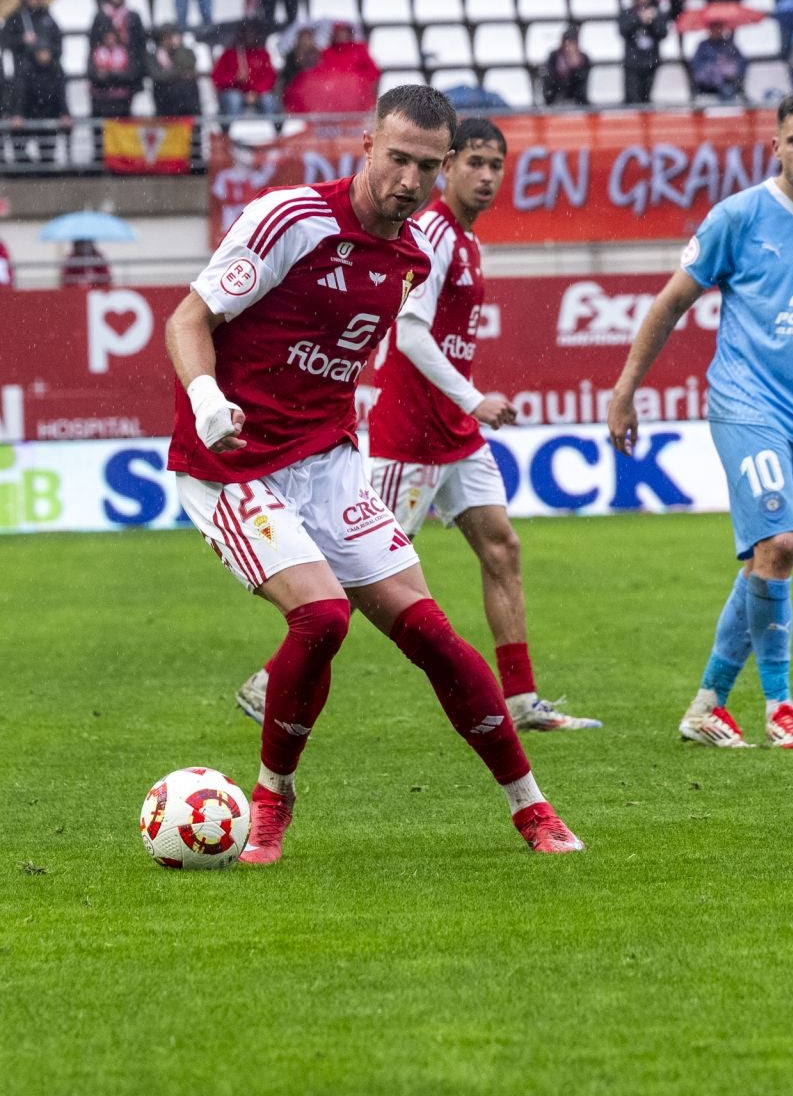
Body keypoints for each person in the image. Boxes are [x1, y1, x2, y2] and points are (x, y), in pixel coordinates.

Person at [163, 86, 582, 866]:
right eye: (397, 158)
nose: (409, 180)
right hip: (229, 464)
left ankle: (533, 810)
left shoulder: (413, 254)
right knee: (322, 619)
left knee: (431, 633)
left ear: (445, 166)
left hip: (325, 462)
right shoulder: (292, 220)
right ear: (366, 146)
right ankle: (271, 802)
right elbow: (188, 319)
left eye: (428, 166)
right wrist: (207, 395)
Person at [242, 119, 601, 734]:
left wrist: (464, 408)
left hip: (454, 435)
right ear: (449, 165)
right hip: (412, 432)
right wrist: (473, 398)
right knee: (364, 577)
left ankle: (520, 698)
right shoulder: (429, 233)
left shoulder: (466, 240)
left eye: (496, 165)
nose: (486, 176)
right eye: (474, 163)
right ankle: (269, 681)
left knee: (501, 546)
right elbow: (409, 333)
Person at [606, 90, 793, 751]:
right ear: (774, 146)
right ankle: (780, 707)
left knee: (771, 559)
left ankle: (708, 704)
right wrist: (626, 389)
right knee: (779, 544)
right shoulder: (737, 217)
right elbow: (668, 304)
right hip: (744, 402)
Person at [8, 45, 72, 164]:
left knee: (47, 154)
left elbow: (61, 95)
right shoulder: (26, 69)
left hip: (48, 113)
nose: (44, 56)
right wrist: (18, 113)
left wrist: (65, 113)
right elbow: (21, 93)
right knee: (19, 146)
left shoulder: (56, 69)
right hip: (29, 113)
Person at [213, 21, 280, 117]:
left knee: (268, 100)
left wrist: (256, 92)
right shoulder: (228, 55)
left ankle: (272, 129)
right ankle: (230, 129)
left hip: (258, 94)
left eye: (252, 34)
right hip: (235, 93)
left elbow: (269, 78)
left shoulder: (262, 55)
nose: (249, 37)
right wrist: (234, 79)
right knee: (233, 99)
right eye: (246, 34)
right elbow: (217, 78)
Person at [618, 0, 668, 103]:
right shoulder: (627, 13)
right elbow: (623, 30)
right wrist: (639, 20)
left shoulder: (657, 13)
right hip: (633, 63)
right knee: (632, 98)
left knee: (647, 99)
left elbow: (663, 33)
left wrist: (652, 21)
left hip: (651, 61)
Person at [3, 0, 60, 74]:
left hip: (49, 70)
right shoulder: (16, 17)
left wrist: (49, 52)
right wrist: (22, 39)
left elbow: (57, 39)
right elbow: (6, 40)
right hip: (25, 71)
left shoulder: (46, 15)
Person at [89, 25, 143, 119]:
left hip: (122, 100)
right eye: (107, 38)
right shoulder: (96, 52)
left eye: (112, 38)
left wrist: (111, 75)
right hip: (101, 99)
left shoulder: (125, 52)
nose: (110, 41)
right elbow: (92, 74)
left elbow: (131, 74)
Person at [148, 24, 202, 117]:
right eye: (166, 37)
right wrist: (179, 73)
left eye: (171, 37)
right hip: (165, 102)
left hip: (187, 101)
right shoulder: (154, 56)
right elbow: (158, 75)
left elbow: (189, 65)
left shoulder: (185, 52)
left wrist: (178, 48)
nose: (169, 40)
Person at [91, 0, 149, 65]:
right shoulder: (101, 17)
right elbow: (95, 44)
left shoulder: (133, 17)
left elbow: (139, 44)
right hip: (106, 64)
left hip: (130, 65)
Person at [690, 25, 747, 101]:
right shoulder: (703, 46)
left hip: (729, 82)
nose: (716, 32)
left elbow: (741, 63)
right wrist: (713, 67)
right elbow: (696, 65)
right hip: (707, 85)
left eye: (718, 29)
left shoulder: (729, 45)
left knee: (728, 88)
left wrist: (728, 66)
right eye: (713, 29)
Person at [541, 27, 590, 105]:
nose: (570, 47)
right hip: (555, 96)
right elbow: (549, 80)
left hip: (577, 99)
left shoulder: (584, 59)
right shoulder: (554, 56)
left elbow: (582, 85)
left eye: (573, 43)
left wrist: (575, 68)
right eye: (568, 43)